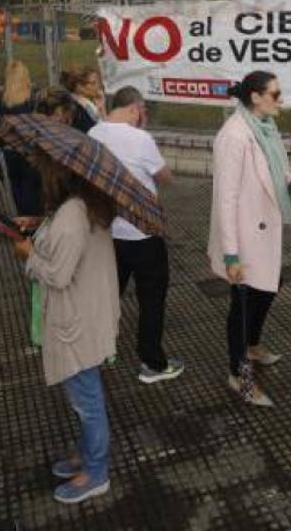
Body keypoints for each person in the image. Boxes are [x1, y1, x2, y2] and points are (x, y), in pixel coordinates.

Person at [11, 149, 120, 504]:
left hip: (78, 321)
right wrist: (39, 224)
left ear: (60, 175)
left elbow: (57, 273)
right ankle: (87, 454)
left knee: (88, 403)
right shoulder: (81, 204)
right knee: (85, 397)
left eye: (45, 169)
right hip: (88, 314)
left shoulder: (73, 213)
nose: (40, 175)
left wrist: (29, 254)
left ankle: (96, 472)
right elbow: (65, 241)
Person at [89, 86, 185, 384]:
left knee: (107, 296)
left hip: (108, 232)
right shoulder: (141, 139)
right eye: (141, 111)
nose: (142, 117)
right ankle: (152, 363)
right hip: (143, 232)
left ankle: (97, 351)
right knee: (151, 299)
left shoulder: (94, 133)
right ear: (134, 108)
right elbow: (164, 177)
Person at [208, 71, 291, 407]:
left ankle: (252, 345)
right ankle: (238, 375)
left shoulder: (266, 129)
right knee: (242, 305)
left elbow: (277, 172)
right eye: (275, 93)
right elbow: (225, 198)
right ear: (255, 97)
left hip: (263, 227)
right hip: (243, 236)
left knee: (270, 285)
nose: (280, 99)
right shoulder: (234, 135)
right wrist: (231, 255)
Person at [0, 60, 43, 216]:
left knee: (16, 186)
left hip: (10, 149)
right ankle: (34, 221)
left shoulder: (2, 97)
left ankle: (22, 218)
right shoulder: (33, 96)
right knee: (33, 187)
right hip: (30, 150)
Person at [60, 66, 104, 132]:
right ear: (79, 86)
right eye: (93, 83)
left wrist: (101, 107)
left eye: (98, 82)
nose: (98, 86)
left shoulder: (87, 103)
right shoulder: (77, 108)